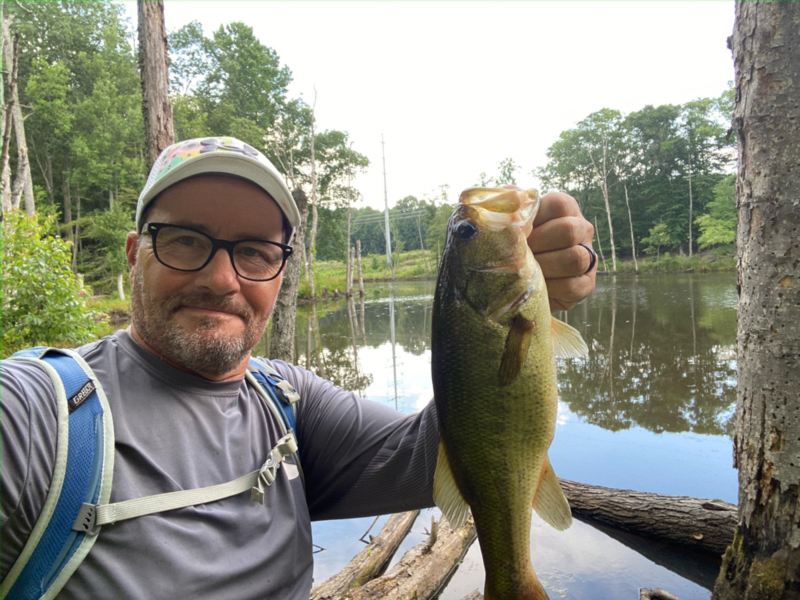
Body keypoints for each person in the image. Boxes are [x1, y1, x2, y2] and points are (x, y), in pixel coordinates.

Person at [1, 137, 597, 599]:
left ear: (280, 272)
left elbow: (442, 450)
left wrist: (520, 325)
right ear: (136, 254)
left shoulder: (288, 403)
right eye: (184, 240)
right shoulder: (35, 415)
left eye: (255, 251)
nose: (221, 278)